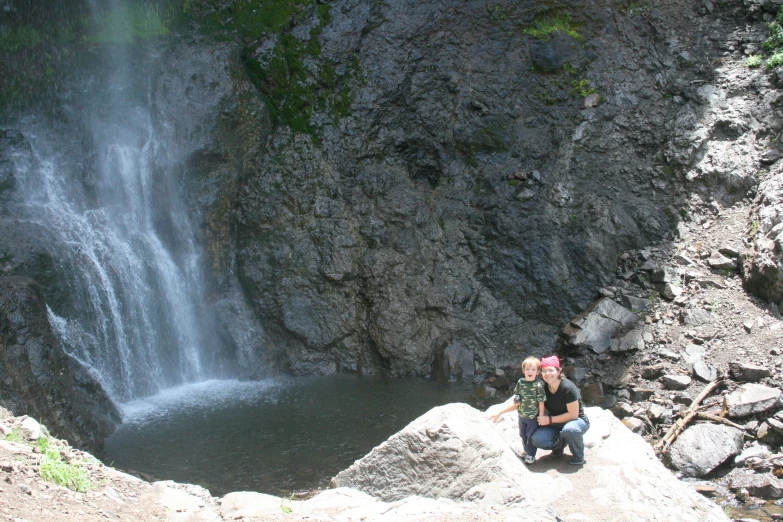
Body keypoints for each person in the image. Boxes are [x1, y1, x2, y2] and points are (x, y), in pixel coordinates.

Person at [531, 355, 590, 466]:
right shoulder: (543, 388)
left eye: (550, 370)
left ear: (558, 371)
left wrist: (548, 419)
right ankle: (560, 445)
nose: (547, 374)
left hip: (577, 421)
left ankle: (578, 455)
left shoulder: (568, 387)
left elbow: (573, 415)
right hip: (556, 423)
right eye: (544, 371)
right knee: (537, 439)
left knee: (570, 430)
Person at [486, 357, 546, 464]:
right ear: (523, 371)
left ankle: (531, 455)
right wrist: (517, 397)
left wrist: (541, 415)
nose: (530, 372)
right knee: (523, 434)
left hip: (533, 417)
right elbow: (517, 394)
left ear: (537, 372)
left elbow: (541, 402)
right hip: (522, 415)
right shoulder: (521, 382)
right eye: (527, 369)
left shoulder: (538, 385)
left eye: (533, 370)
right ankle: (526, 450)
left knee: (531, 436)